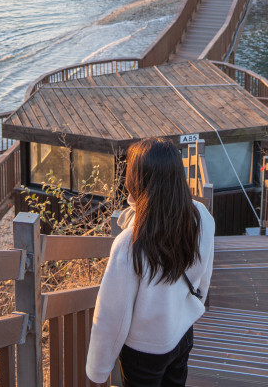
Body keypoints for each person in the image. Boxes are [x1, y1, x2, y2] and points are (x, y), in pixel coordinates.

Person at [85, 138, 216, 387]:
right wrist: (192, 306)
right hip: (182, 332)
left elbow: (112, 315)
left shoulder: (130, 243)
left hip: (144, 349)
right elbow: (204, 275)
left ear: (137, 179)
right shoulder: (201, 217)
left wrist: (98, 370)